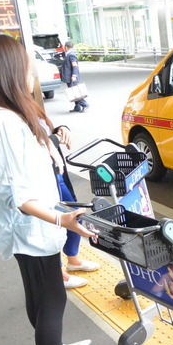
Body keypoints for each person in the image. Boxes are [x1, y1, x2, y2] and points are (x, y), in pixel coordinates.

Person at [0, 35, 100, 345]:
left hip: (31, 226)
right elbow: (20, 196)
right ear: (9, 71)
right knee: (52, 299)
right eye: (25, 66)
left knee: (40, 297)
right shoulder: (4, 123)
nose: (31, 72)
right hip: (32, 227)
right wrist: (64, 220)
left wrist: (56, 134)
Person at [44, 122, 101, 289]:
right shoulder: (11, 113)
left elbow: (44, 131)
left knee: (75, 215)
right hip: (43, 180)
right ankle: (58, 274)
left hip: (56, 174)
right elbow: (33, 143)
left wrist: (60, 129)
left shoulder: (28, 104)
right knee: (52, 225)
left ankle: (73, 259)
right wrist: (54, 138)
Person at [61, 41, 89, 113]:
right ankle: (77, 107)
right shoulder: (68, 54)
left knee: (75, 92)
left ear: (66, 47)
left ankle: (85, 105)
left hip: (72, 77)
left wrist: (74, 75)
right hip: (69, 77)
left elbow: (75, 66)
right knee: (72, 92)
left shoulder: (71, 55)